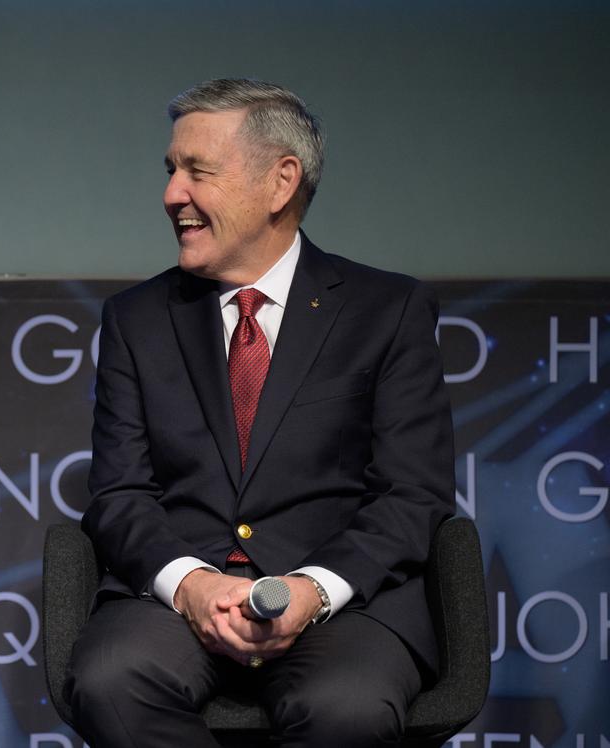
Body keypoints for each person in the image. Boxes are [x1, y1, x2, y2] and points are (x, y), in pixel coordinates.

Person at [64, 79, 455, 747]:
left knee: (348, 707)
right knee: (111, 679)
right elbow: (120, 493)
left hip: (340, 605)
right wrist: (188, 585)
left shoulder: (386, 313)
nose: (171, 195)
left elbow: (412, 493)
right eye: (170, 171)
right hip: (178, 603)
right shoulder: (136, 320)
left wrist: (312, 588)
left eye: (198, 172)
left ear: (281, 183)